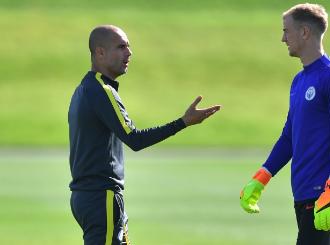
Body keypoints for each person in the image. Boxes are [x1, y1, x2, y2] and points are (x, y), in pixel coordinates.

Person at [68, 25, 221, 245]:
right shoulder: (102, 90)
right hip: (101, 197)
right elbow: (135, 139)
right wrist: (183, 122)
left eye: (128, 47)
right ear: (100, 52)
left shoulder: (84, 88)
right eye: (121, 47)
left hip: (89, 196)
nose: (129, 53)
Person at [240, 3, 330, 245]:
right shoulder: (299, 81)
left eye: (286, 31)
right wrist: (262, 176)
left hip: (324, 193)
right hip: (304, 193)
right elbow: (289, 137)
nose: (283, 38)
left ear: (304, 32)